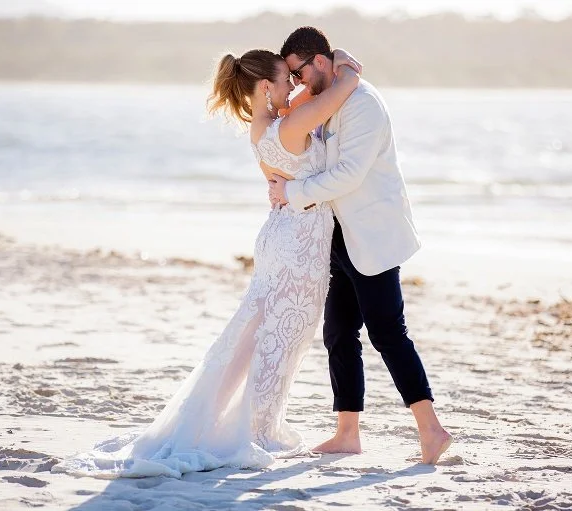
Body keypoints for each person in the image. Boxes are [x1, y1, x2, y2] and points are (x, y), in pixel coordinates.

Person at [52, 48, 361, 479]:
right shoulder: (287, 127)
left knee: (264, 336)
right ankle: (255, 432)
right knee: (280, 340)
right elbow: (345, 88)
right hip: (295, 247)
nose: (294, 84)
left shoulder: (265, 126)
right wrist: (343, 63)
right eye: (286, 79)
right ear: (266, 87)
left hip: (287, 238)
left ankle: (253, 427)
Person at [269, 26, 452, 464]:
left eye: (297, 73)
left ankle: (432, 430)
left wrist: (291, 194)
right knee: (338, 332)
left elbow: (349, 174)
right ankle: (347, 432)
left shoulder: (364, 104)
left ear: (318, 60)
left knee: (388, 332)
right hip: (341, 236)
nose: (295, 82)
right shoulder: (331, 93)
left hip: (372, 235)